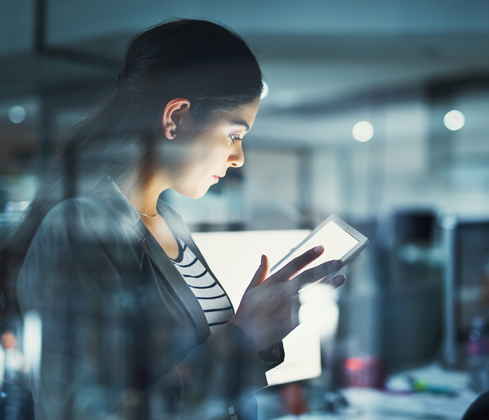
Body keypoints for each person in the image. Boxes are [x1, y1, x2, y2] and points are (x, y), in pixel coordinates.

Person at [0, 19, 345, 420]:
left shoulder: (169, 222)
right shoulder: (80, 228)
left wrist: (259, 327)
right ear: (176, 118)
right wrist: (240, 339)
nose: (239, 158)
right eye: (235, 134)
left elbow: (194, 366)